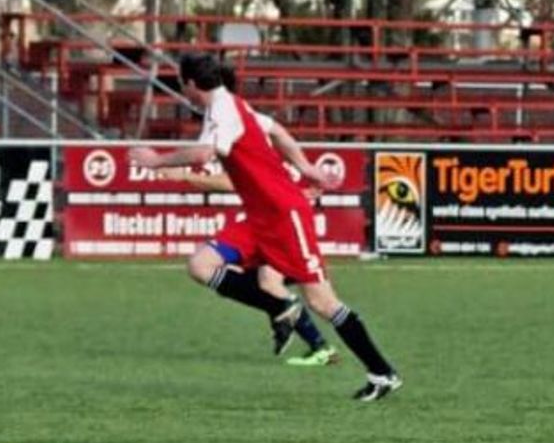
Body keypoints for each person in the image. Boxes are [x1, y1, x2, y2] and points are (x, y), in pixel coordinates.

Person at [132, 54, 401, 400]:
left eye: (181, 84)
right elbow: (275, 130)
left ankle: (382, 372)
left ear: (190, 84)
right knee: (201, 265)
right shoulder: (229, 106)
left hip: (285, 214)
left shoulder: (224, 110)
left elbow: (202, 155)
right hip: (260, 218)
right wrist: (305, 166)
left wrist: (156, 161)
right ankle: (279, 307)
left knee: (322, 301)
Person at [171, 153, 338, 367]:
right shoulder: (260, 144)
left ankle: (318, 344)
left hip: (285, 225)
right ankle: (283, 309)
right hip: (259, 223)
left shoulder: (265, 145)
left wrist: (185, 175)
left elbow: (233, 182)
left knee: (267, 280)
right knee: (205, 266)